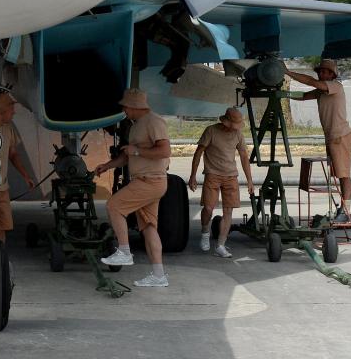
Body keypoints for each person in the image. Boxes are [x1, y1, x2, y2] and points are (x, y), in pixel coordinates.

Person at [96, 88, 172, 288]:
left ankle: (124, 252)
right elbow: (127, 155)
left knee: (114, 206)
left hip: (150, 180)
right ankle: (158, 275)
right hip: (146, 180)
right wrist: (107, 166)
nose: (123, 110)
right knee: (148, 228)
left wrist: (136, 151)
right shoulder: (136, 125)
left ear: (133, 107)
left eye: (125, 107)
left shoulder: (154, 122)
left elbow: (165, 150)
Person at [285, 58, 351, 222]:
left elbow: (311, 82)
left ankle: (346, 211)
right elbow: (302, 96)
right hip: (331, 138)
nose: (321, 74)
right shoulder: (321, 91)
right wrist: (282, 94)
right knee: (337, 175)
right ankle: (342, 208)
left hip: (340, 136)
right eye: (320, 71)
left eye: (324, 71)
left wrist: (288, 73)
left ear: (332, 74)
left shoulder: (335, 86)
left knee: (344, 175)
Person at [188, 107, 255, 258]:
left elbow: (244, 156)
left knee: (228, 211)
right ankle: (205, 232)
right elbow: (198, 153)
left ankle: (220, 245)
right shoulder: (211, 131)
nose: (236, 128)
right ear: (226, 122)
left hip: (231, 177)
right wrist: (193, 176)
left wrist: (250, 180)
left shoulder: (238, 134)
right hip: (212, 175)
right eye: (234, 125)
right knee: (208, 208)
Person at [0, 92, 35, 241]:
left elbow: (13, 155)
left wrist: (26, 176)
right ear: (1, 111)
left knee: (1, 229)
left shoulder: (8, 128)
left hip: (3, 188)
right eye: (11, 109)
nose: (14, 112)